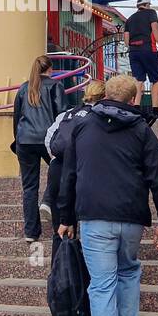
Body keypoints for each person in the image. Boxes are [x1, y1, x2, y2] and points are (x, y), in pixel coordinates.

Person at [56, 74, 158, 316]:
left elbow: (69, 174)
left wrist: (65, 216)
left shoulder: (82, 127)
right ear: (134, 99)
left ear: (105, 95)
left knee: (101, 284)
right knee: (129, 269)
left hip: (94, 216)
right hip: (132, 216)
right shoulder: (142, 130)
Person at [12, 55, 66, 242]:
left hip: (25, 140)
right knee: (59, 176)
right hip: (48, 138)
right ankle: (53, 214)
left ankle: (31, 232)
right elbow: (62, 116)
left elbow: (17, 116)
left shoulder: (23, 88)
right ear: (50, 69)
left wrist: (17, 139)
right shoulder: (55, 86)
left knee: (29, 187)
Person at [38, 79, 106, 224]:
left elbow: (49, 136)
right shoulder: (100, 117)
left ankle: (48, 201)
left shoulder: (69, 113)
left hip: (59, 166)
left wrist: (55, 156)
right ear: (104, 97)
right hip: (85, 171)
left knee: (61, 224)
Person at [124, 0, 158, 119]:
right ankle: (155, 111)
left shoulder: (129, 19)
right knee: (155, 80)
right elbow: (155, 28)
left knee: (138, 80)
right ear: (147, 5)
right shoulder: (151, 13)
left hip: (134, 52)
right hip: (148, 49)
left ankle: (136, 108)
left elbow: (126, 39)